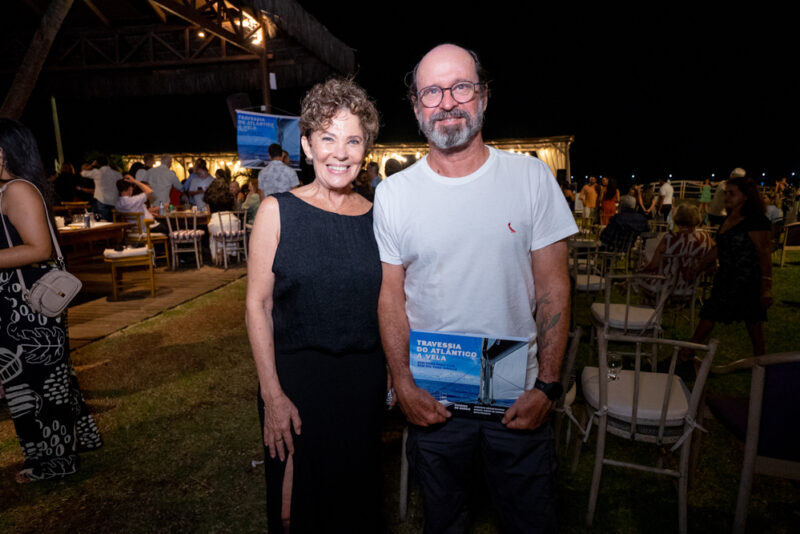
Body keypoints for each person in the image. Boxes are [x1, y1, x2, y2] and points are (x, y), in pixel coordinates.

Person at [374, 44, 577, 533]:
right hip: (434, 398)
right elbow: (391, 298)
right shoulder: (393, 194)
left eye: (460, 87)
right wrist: (402, 383)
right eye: (432, 91)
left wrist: (547, 385)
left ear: (483, 95)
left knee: (530, 521)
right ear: (416, 105)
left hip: (518, 396)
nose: (447, 102)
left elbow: (553, 287)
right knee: (444, 521)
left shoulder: (530, 178)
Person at [246, 78, 385, 533]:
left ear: (366, 149)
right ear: (307, 146)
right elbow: (257, 306)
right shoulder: (277, 211)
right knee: (292, 514)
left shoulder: (379, 216)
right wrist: (272, 396)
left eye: (352, 140)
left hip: (362, 383)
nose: (339, 152)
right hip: (295, 384)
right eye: (327, 138)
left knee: (353, 509)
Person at [0, 118, 103, 482]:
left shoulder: (17, 190)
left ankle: (53, 462)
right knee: (46, 379)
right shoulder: (9, 190)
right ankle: (78, 440)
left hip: (28, 306)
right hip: (18, 306)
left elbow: (40, 248)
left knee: (38, 385)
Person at [682, 176, 773, 358]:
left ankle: (761, 362)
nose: (727, 197)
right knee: (710, 316)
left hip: (747, 281)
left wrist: (766, 287)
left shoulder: (755, 221)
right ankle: (687, 354)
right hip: (726, 278)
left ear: (746, 196)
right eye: (726, 193)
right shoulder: (728, 219)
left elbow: (764, 253)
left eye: (732, 193)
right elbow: (719, 247)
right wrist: (699, 266)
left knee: (752, 325)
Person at [639, 204, 714, 297]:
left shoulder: (669, 238)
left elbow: (653, 265)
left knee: (641, 274)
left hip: (666, 284)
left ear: (677, 219)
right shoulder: (705, 237)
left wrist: (643, 269)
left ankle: (650, 306)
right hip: (689, 286)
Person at [81, 155, 121, 221]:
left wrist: (92, 165)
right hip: (114, 201)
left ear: (97, 163)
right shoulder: (117, 174)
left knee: (103, 223)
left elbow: (82, 173)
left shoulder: (97, 172)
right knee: (114, 223)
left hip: (101, 201)